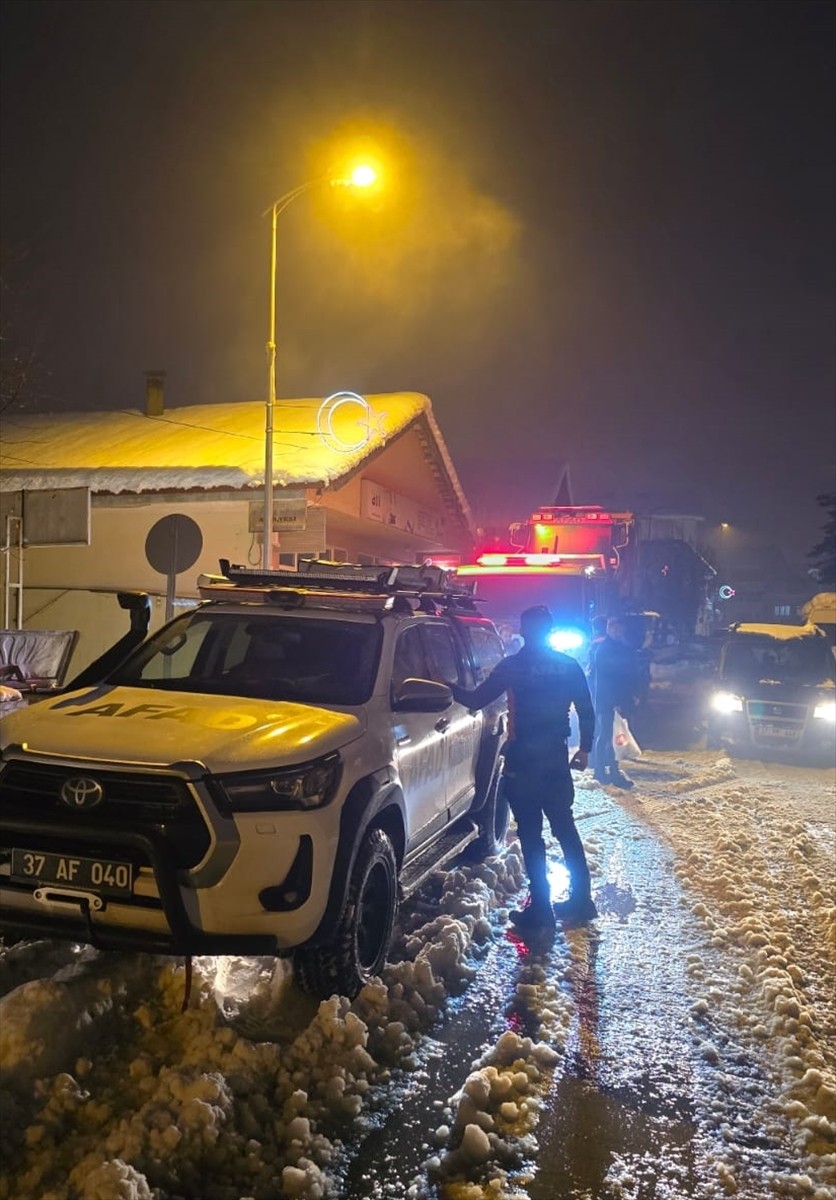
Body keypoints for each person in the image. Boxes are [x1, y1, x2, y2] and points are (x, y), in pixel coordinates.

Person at [451, 604, 597, 933]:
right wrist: (585, 748)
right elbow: (587, 710)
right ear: (549, 631)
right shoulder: (567, 665)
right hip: (555, 760)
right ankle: (582, 900)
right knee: (565, 829)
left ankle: (540, 910)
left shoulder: (513, 666)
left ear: (523, 631)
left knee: (531, 836)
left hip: (523, 763)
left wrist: (446, 687)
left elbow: (476, 701)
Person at [587, 616, 641, 790]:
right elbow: (605, 680)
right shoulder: (604, 650)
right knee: (605, 736)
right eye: (615, 629)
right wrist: (614, 701)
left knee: (616, 736)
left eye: (620, 629)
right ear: (609, 629)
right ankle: (601, 771)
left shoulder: (619, 648)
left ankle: (611, 769)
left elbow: (627, 675)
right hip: (607, 701)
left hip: (616, 700)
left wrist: (631, 695)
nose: (618, 632)